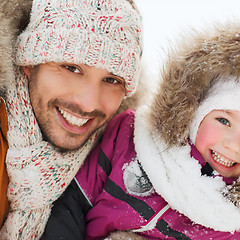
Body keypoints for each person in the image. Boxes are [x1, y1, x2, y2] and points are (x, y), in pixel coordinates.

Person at [45, 22, 240, 239]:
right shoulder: (134, 138)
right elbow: (74, 203)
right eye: (223, 121)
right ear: (197, 115)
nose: (232, 145)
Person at [0, 0, 143, 239]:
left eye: (111, 80)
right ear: (29, 63)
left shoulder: (122, 161)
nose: (88, 103)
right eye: (71, 68)